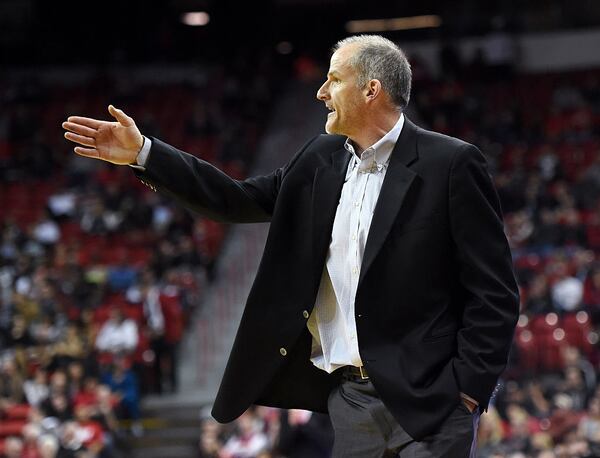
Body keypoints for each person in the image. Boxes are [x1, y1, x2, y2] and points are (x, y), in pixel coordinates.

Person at [63, 34, 519, 457]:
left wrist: (469, 391)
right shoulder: (318, 158)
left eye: (334, 79)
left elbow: (494, 292)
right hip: (349, 398)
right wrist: (144, 152)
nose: (320, 91)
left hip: (433, 397)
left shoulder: (452, 163)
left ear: (371, 90)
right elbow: (236, 199)